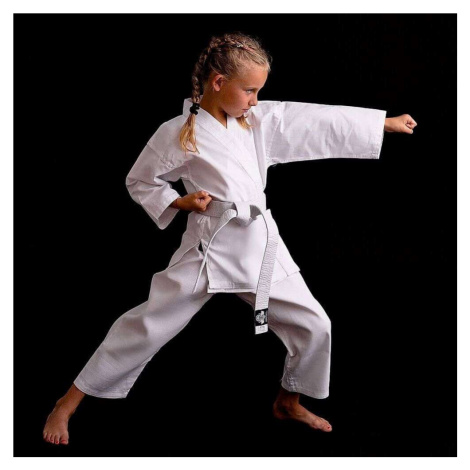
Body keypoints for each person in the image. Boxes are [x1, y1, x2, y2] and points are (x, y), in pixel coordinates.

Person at [43, 32, 417, 445]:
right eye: (250, 90)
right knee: (147, 326)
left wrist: (381, 124)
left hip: (258, 245)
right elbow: (141, 180)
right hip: (209, 249)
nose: (256, 100)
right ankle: (68, 402)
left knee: (315, 324)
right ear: (219, 82)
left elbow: (311, 121)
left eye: (259, 91)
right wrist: (180, 202)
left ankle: (288, 401)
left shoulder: (254, 122)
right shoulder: (178, 132)